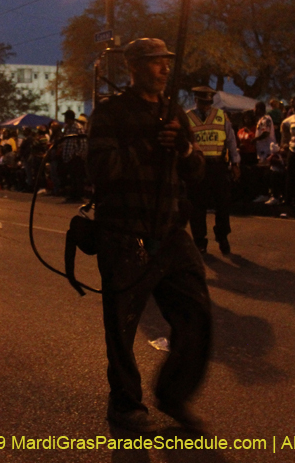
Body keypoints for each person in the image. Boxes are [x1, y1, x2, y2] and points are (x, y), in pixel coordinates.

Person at [88, 37, 211, 434]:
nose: (163, 69)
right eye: (155, 62)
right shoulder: (110, 113)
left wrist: (184, 151)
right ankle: (125, 404)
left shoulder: (173, 113)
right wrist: (147, 147)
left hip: (171, 232)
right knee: (122, 328)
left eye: (166, 62)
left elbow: (196, 171)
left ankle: (173, 394)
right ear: (134, 67)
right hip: (125, 233)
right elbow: (103, 169)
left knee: (196, 316)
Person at [186, 86, 240, 254]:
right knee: (197, 206)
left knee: (223, 204)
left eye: (208, 103)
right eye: (203, 103)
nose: (206, 106)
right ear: (196, 100)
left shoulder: (221, 116)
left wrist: (235, 163)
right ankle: (200, 241)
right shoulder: (187, 118)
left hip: (218, 166)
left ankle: (222, 236)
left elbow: (231, 141)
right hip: (198, 167)